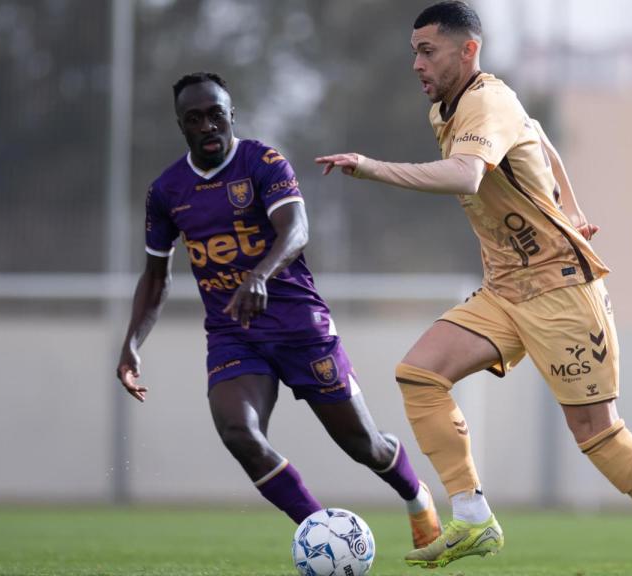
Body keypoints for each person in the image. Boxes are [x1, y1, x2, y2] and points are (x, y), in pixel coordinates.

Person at [315, 2, 632, 574]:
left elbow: (466, 174)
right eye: (414, 51)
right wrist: (573, 207)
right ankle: (474, 515)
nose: (416, 63)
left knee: (597, 433)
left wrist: (370, 166)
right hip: (506, 291)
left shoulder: (488, 99)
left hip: (560, 291)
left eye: (427, 50)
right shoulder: (450, 109)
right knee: (420, 374)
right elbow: (539, 137)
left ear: (468, 50)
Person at [115, 72, 442, 550]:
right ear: (181, 126)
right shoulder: (167, 190)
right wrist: (130, 344)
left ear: (232, 116)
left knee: (363, 445)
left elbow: (296, 229)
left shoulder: (263, 162)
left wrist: (259, 275)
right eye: (194, 119)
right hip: (234, 332)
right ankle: (320, 532)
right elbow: (156, 276)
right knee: (238, 432)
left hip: (299, 328)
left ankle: (416, 495)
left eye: (216, 115)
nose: (208, 126)